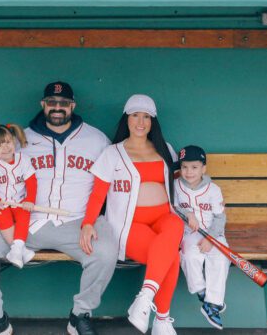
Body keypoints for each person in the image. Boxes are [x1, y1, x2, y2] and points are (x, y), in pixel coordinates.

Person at [0, 81, 117, 335]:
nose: (57, 107)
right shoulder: (21, 140)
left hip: (76, 223)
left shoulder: (97, 139)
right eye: (51, 102)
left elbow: (109, 181)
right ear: (43, 105)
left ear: (73, 106)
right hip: (25, 223)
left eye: (63, 103)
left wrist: (91, 221)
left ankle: (80, 315)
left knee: (106, 250)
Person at [81, 94, 183, 335]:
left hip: (163, 219)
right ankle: (162, 320)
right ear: (126, 119)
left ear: (152, 121)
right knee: (171, 256)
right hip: (129, 224)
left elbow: (182, 186)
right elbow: (98, 194)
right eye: (135, 115)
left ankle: (145, 297)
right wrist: (87, 223)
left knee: (175, 225)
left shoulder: (165, 149)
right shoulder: (112, 153)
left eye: (146, 117)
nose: (140, 122)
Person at [174, 145, 231, 330]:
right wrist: (188, 213)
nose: (189, 172)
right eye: (184, 167)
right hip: (189, 233)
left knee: (220, 258)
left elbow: (220, 218)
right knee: (190, 256)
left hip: (214, 233)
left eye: (194, 167)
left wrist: (210, 239)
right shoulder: (176, 186)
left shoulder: (213, 189)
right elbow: (173, 207)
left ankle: (213, 304)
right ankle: (202, 292)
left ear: (203, 169)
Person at [0, 123, 38, 268]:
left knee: (24, 213)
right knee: (1, 213)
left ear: (14, 141)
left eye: (8, 142)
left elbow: (32, 182)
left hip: (18, 201)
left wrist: (30, 200)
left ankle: (17, 248)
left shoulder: (24, 159)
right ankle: (19, 250)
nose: (5, 148)